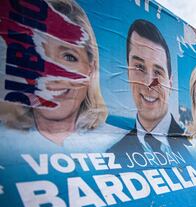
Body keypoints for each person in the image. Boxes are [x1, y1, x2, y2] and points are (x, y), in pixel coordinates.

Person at [0, 0, 120, 152]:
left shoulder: (118, 143)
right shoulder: (6, 143)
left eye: (69, 57)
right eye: (38, 55)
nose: (51, 75)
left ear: (91, 69)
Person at [108, 19, 189, 155]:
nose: (148, 83)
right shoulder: (114, 154)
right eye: (139, 67)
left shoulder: (193, 145)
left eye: (158, 72)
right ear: (128, 72)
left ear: (170, 83)